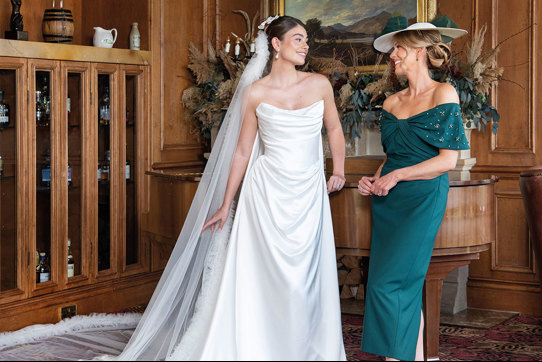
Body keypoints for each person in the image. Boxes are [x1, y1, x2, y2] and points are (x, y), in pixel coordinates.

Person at [112, 15, 346, 361]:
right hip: (264, 194)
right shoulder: (255, 93)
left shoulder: (319, 84)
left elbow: (335, 131)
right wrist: (226, 203)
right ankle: (259, 348)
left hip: (308, 193)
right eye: (297, 39)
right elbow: (241, 151)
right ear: (276, 45)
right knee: (263, 275)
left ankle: (307, 349)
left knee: (306, 276)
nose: (305, 45)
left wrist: (338, 170)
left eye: (306, 40)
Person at [358, 23, 469, 361]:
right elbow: (392, 158)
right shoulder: (391, 102)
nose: (392, 56)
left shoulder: (443, 93)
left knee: (390, 286)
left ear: (419, 52)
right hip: (389, 200)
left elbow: (447, 161)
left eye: (399, 49)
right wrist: (375, 179)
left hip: (422, 198)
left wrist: (397, 176)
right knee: (395, 288)